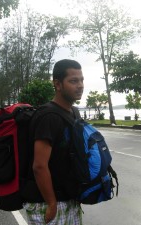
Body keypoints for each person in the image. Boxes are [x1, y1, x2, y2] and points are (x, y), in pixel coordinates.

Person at [24, 59, 84, 225]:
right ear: (57, 84)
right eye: (73, 81)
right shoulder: (48, 116)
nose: (80, 85)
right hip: (48, 202)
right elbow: (39, 166)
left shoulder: (74, 112)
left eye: (81, 80)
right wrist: (51, 203)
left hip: (69, 199)